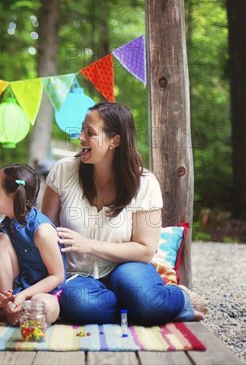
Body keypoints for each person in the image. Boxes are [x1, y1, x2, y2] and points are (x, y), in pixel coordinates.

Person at [41, 102, 207, 326]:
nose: (80, 137)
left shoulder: (144, 183)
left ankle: (177, 299)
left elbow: (145, 250)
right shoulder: (63, 171)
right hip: (79, 275)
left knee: (145, 299)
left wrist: (89, 245)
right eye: (82, 130)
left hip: (127, 266)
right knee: (77, 303)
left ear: (115, 141)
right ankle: (142, 311)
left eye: (90, 133)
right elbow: (43, 231)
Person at [0, 164, 66, 326]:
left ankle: (16, 312)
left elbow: (57, 276)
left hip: (43, 293)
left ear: (13, 195)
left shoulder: (42, 231)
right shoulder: (6, 226)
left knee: (39, 306)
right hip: (16, 293)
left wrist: (23, 296)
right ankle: (10, 308)